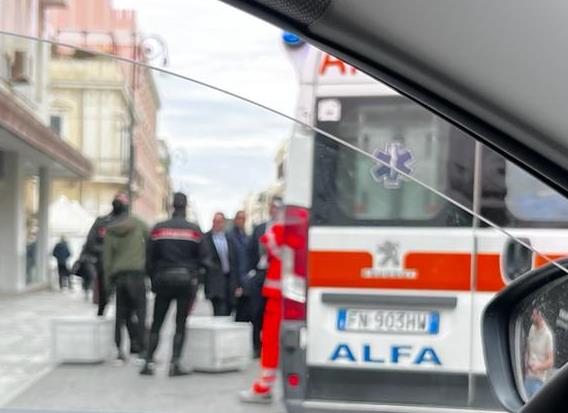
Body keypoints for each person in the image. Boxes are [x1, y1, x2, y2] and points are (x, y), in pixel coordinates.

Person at [141, 192, 211, 377]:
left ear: (172, 206)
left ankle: (148, 361)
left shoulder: (159, 228)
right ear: (185, 206)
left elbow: (148, 258)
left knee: (157, 323)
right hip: (186, 282)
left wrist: (153, 278)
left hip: (163, 280)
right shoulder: (194, 230)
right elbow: (205, 258)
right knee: (180, 323)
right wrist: (197, 276)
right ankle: (175, 364)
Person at [240, 207, 287, 403]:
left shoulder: (281, 230)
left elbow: (269, 241)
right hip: (288, 291)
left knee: (271, 340)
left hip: (279, 293)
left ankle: (264, 386)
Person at [103, 193, 149, 363]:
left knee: (120, 315)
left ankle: (119, 351)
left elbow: (107, 260)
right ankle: (143, 350)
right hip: (137, 275)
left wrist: (107, 285)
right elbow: (151, 236)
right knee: (141, 312)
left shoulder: (110, 229)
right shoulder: (137, 223)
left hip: (119, 277)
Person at [246, 197, 281, 358]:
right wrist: (250, 273)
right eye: (271, 206)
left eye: (276, 207)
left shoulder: (286, 229)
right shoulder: (260, 228)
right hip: (260, 273)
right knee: (256, 311)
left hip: (278, 275)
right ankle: (256, 347)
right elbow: (250, 251)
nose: (273, 209)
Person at [85, 193, 129, 316]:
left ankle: (121, 320)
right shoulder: (101, 222)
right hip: (104, 265)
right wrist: (107, 251)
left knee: (122, 298)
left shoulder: (129, 224)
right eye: (118, 199)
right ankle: (102, 313)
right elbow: (91, 243)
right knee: (103, 296)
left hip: (122, 267)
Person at [204, 212, 239, 316]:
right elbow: (204, 258)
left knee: (228, 310)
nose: (218, 224)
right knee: (219, 310)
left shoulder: (229, 239)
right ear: (213, 222)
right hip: (215, 281)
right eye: (216, 221)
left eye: (220, 222)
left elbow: (233, 260)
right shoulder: (206, 238)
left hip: (229, 280)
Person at [524, 307, 554, 398]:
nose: (531, 317)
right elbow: (528, 349)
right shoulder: (532, 329)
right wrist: (525, 364)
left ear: (540, 315)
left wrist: (538, 366)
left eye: (534, 315)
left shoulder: (547, 335)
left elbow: (550, 362)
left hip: (538, 381)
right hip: (527, 378)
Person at [228, 210, 250, 322]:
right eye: (239, 218)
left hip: (244, 280)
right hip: (233, 280)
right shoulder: (230, 236)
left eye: (243, 219)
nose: (241, 221)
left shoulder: (247, 237)